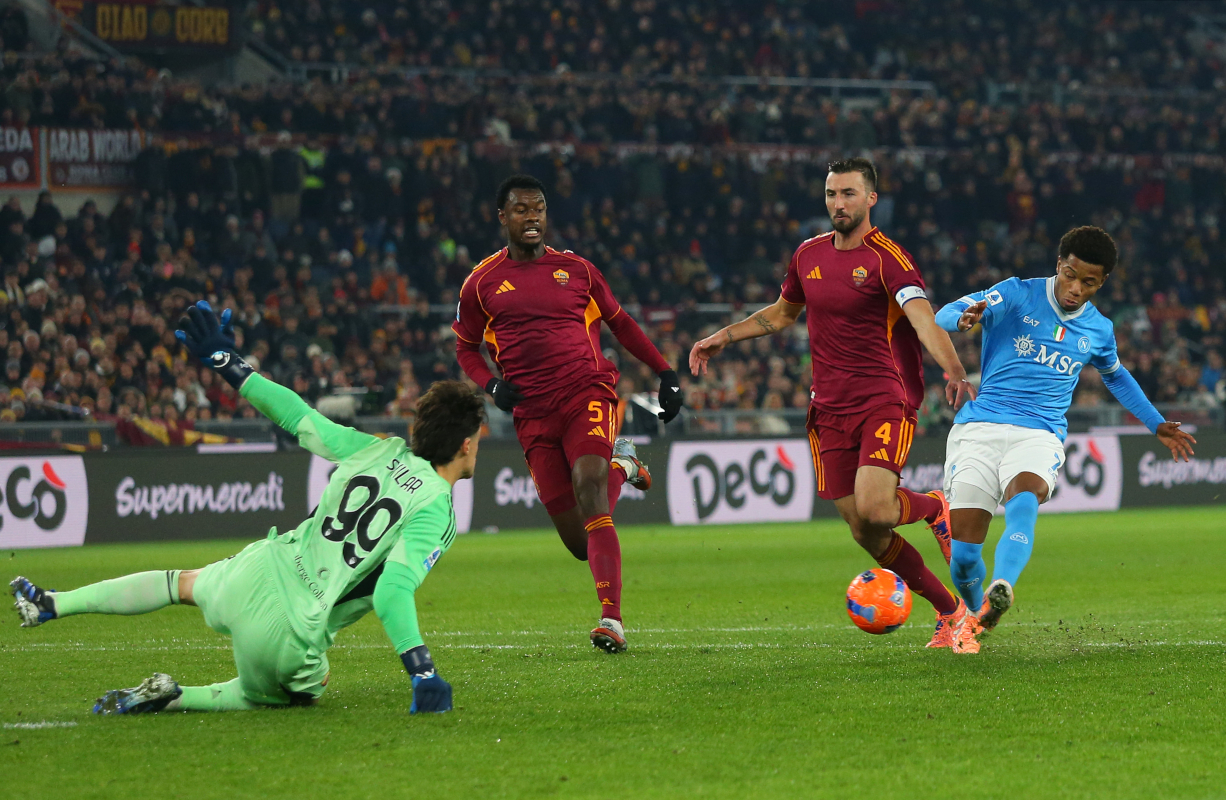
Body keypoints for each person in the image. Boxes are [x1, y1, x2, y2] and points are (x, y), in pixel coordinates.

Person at [11, 301, 483, 714]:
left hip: (259, 567)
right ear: (465, 444)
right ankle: (180, 696)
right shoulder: (436, 507)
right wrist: (422, 673)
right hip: (293, 628)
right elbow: (390, 593)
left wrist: (228, 362)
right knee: (307, 686)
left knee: (180, 583)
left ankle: (53, 602)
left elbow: (297, 414)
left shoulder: (376, 448)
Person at [689, 158, 975, 648]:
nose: (837, 203)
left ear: (870, 199)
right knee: (865, 530)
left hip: (885, 397)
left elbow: (922, 317)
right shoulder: (808, 255)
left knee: (877, 508)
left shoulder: (888, 258)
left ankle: (933, 508)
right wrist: (725, 336)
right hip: (828, 410)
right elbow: (782, 314)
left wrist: (954, 368)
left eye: (847, 193)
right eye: (830, 194)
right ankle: (950, 612)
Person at [934, 226, 1196, 653]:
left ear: (1102, 282)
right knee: (963, 555)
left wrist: (1155, 422)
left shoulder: (1098, 329)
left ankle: (1004, 584)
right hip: (978, 429)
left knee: (1025, 495)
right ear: (1059, 264)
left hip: (1039, 432)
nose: (1076, 289)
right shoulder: (1016, 294)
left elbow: (1116, 376)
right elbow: (947, 312)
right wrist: (962, 317)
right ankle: (975, 611)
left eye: (1088, 282)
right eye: (1071, 275)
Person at [453, 174, 684, 653]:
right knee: (580, 543)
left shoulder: (577, 270)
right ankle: (625, 464)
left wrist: (665, 371)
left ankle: (612, 620)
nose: (532, 216)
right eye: (521, 209)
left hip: (587, 393)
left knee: (590, 489)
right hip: (532, 414)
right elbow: (465, 348)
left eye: (538, 207)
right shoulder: (481, 283)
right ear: (502, 218)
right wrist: (491, 385)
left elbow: (620, 323)